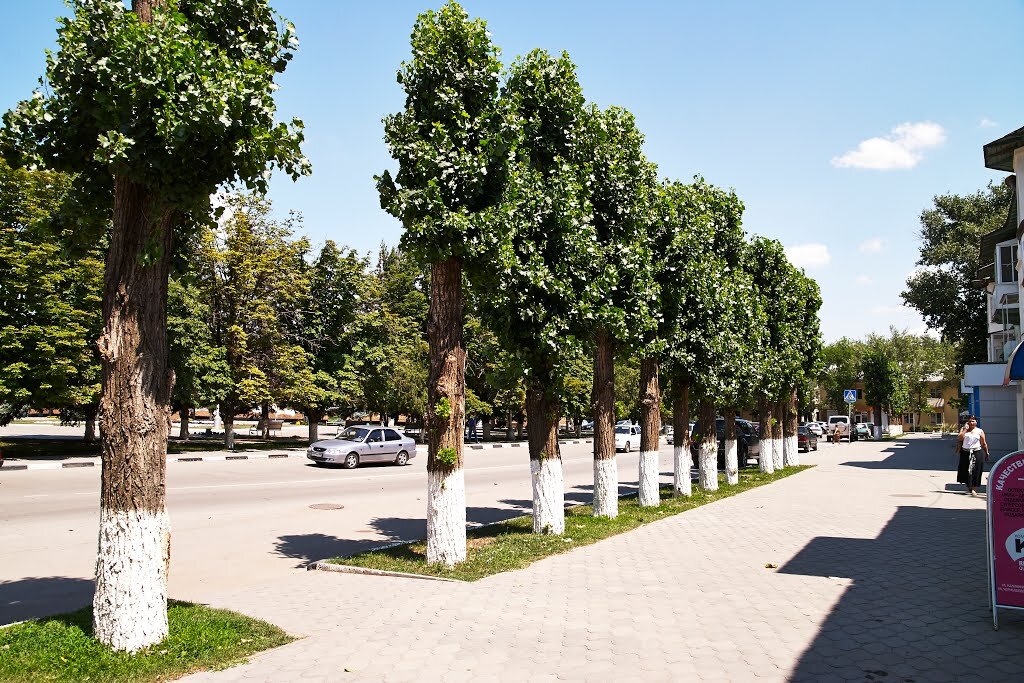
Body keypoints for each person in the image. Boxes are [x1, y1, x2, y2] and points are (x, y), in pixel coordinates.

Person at [957, 415, 990, 496]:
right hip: (965, 452)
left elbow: (983, 443)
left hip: (977, 452)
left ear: (976, 422)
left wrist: (986, 453)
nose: (971, 423)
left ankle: (974, 488)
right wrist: (965, 429)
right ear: (967, 422)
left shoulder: (979, 431)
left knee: (976, 470)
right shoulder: (964, 430)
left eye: (973, 421)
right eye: (970, 421)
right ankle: (969, 485)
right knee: (966, 470)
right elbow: (960, 438)